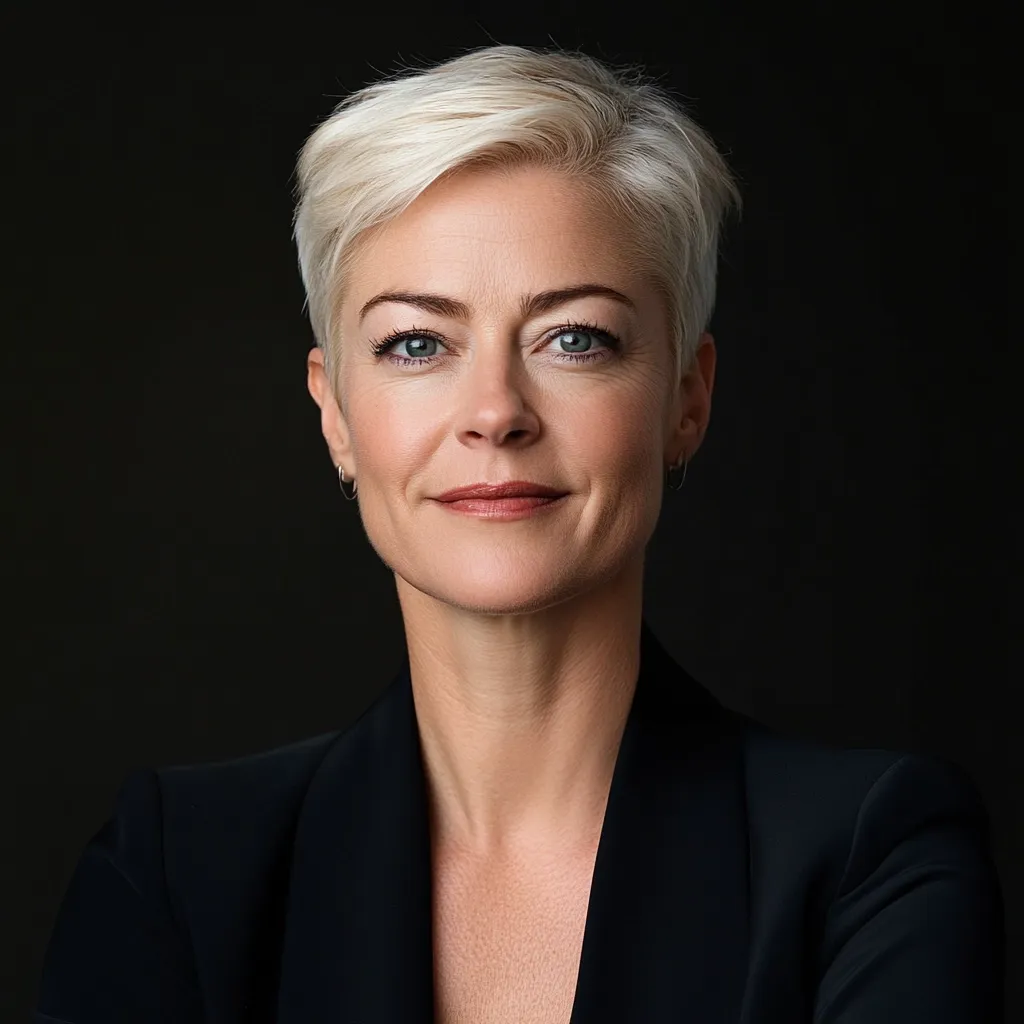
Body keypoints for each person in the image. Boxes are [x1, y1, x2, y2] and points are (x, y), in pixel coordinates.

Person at [35, 43, 1004, 1023]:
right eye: (417, 343)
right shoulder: (175, 869)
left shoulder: (868, 860)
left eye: (573, 338)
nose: (494, 411)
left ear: (686, 397)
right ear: (334, 414)